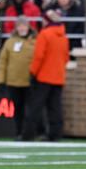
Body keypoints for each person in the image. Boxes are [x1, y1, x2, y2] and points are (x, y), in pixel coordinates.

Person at [22, 9, 70, 141]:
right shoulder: (64, 37)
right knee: (55, 108)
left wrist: (33, 73)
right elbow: (66, 58)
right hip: (58, 77)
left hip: (43, 77)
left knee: (35, 107)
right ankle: (55, 135)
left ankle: (28, 135)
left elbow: (38, 56)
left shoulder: (45, 34)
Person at [0, 16, 36, 140]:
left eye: (24, 25)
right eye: (20, 25)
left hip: (29, 81)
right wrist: (1, 80)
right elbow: (3, 62)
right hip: (13, 81)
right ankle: (19, 132)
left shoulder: (35, 41)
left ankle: (28, 133)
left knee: (30, 110)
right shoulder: (10, 42)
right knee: (18, 110)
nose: (22, 28)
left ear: (28, 27)